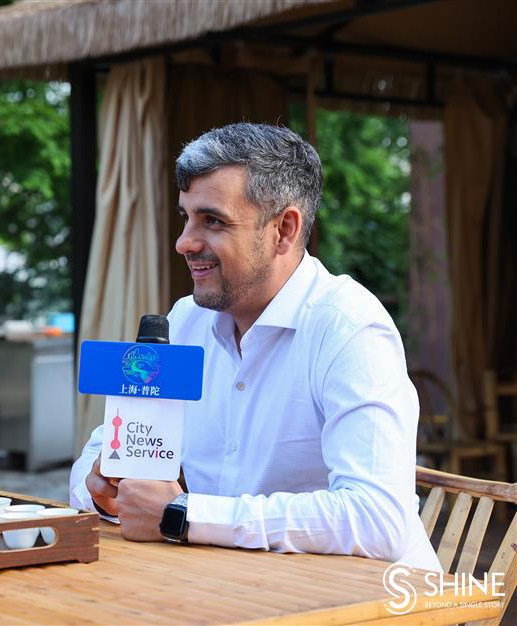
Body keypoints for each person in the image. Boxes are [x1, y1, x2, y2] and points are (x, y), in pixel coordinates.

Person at [69, 123, 441, 571]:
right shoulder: (186, 320)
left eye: (212, 221)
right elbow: (96, 459)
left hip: (375, 599)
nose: (184, 242)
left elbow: (377, 519)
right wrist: (104, 488)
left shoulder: (349, 329)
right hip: (235, 585)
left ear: (284, 230)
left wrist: (183, 515)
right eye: (186, 217)